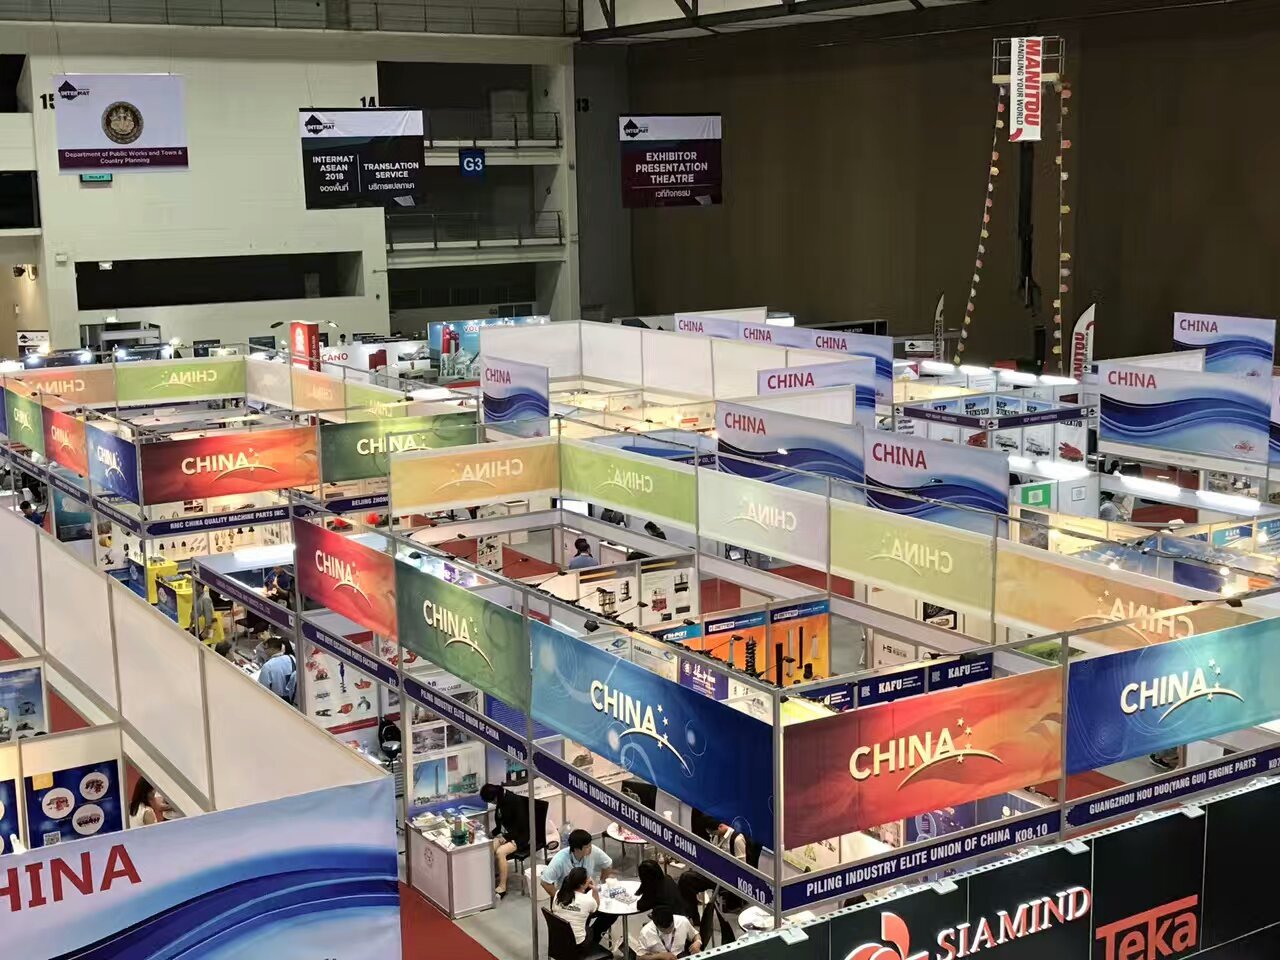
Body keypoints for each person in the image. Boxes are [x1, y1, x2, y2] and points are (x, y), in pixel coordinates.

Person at [542, 830, 615, 941]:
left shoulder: (592, 851)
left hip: (585, 891)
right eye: (587, 847)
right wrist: (560, 897)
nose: (590, 848)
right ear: (576, 849)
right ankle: (587, 939)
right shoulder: (560, 860)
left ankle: (591, 938)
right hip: (566, 894)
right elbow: (545, 882)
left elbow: (608, 864)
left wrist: (602, 883)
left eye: (590, 845)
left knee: (609, 914)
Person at [481, 782, 530, 896]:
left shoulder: (514, 801)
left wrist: (506, 837)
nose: (492, 804)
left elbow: (521, 826)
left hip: (520, 836)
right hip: (507, 834)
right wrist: (491, 834)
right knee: (490, 847)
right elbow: (501, 824)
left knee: (500, 852)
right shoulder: (501, 800)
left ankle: (502, 887)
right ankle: (489, 877)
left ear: (495, 797)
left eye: (491, 801)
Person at [553, 866, 600, 947]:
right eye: (588, 878)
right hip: (577, 944)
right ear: (582, 884)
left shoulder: (559, 894)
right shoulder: (587, 900)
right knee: (591, 930)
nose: (589, 879)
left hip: (558, 939)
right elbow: (595, 908)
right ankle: (593, 948)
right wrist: (595, 890)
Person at [258, 637, 296, 702]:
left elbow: (262, 688)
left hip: (275, 700)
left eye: (265, 649)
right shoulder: (292, 658)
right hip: (291, 699)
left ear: (272, 649)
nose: (264, 651)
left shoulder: (268, 666)